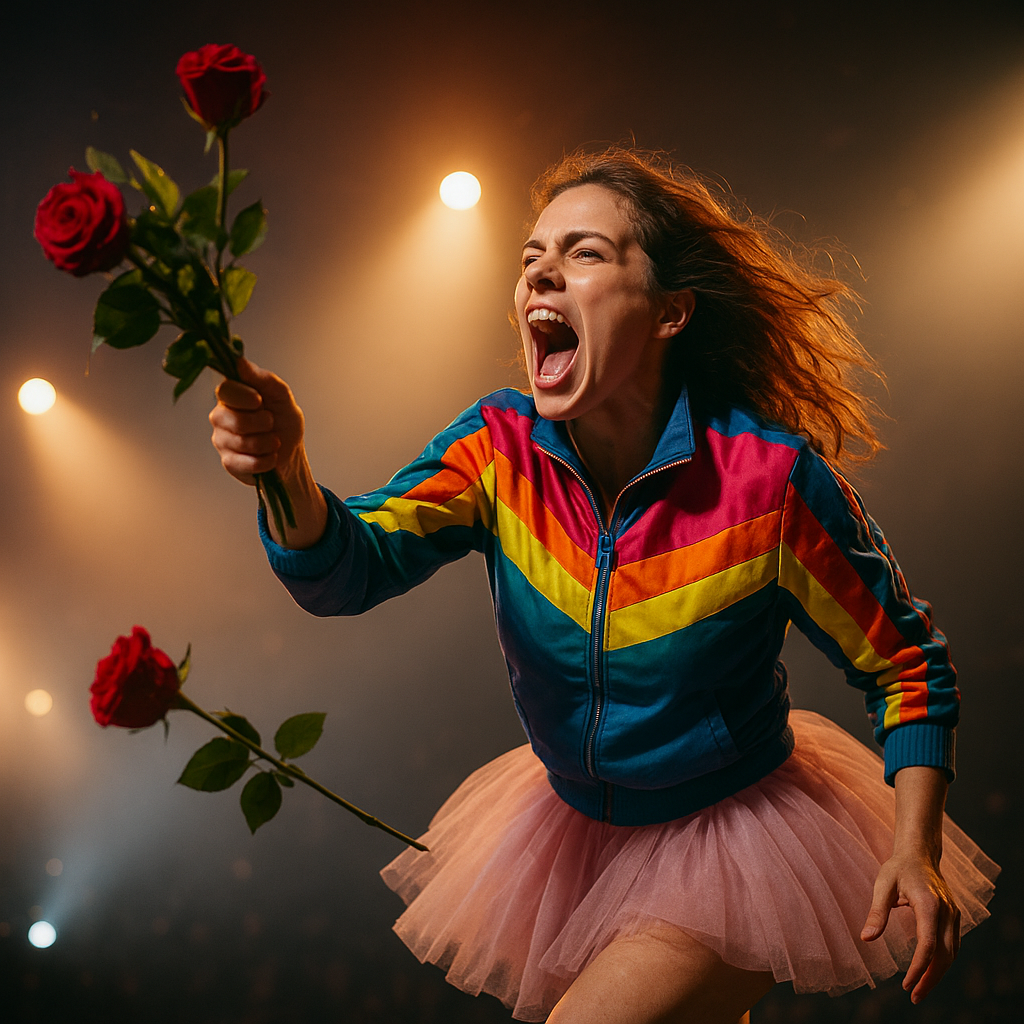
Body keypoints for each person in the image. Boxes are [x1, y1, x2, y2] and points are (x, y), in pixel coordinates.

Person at [209, 148, 998, 1024]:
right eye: (531, 257)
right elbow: (344, 569)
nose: (541, 269)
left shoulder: (769, 482)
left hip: (738, 839)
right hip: (575, 834)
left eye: (584, 252)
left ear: (670, 313)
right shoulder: (496, 450)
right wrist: (283, 467)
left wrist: (914, 844)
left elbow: (909, 666)